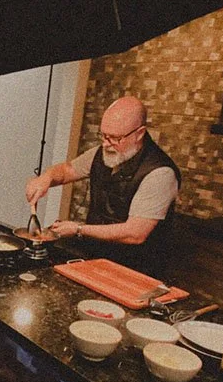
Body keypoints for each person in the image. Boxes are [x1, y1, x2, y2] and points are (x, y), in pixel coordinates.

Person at [25, 96, 180, 273]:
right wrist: (46, 178)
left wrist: (78, 229)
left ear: (139, 134)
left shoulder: (160, 173)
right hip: (96, 256)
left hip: (135, 269)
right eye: (104, 135)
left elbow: (135, 233)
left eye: (115, 138)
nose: (106, 144)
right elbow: (67, 170)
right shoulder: (104, 152)